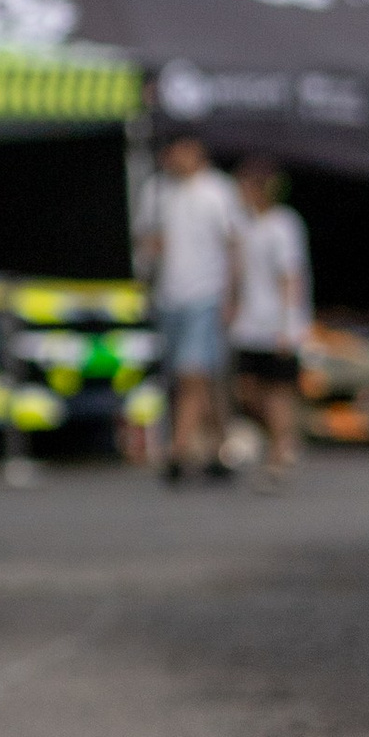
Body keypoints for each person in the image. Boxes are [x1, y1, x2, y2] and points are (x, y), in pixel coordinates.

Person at [141, 130, 243, 481]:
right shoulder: (157, 191)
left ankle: (179, 448)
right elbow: (147, 240)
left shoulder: (217, 191)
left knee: (191, 372)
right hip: (170, 296)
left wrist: (233, 296)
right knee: (200, 378)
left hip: (206, 295)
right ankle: (219, 446)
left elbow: (233, 245)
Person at [227, 155, 310, 491]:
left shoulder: (284, 225)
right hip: (249, 323)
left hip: (275, 323)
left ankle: (278, 454)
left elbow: (290, 277)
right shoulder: (245, 226)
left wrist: (289, 325)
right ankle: (285, 438)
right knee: (247, 391)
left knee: (278, 393)